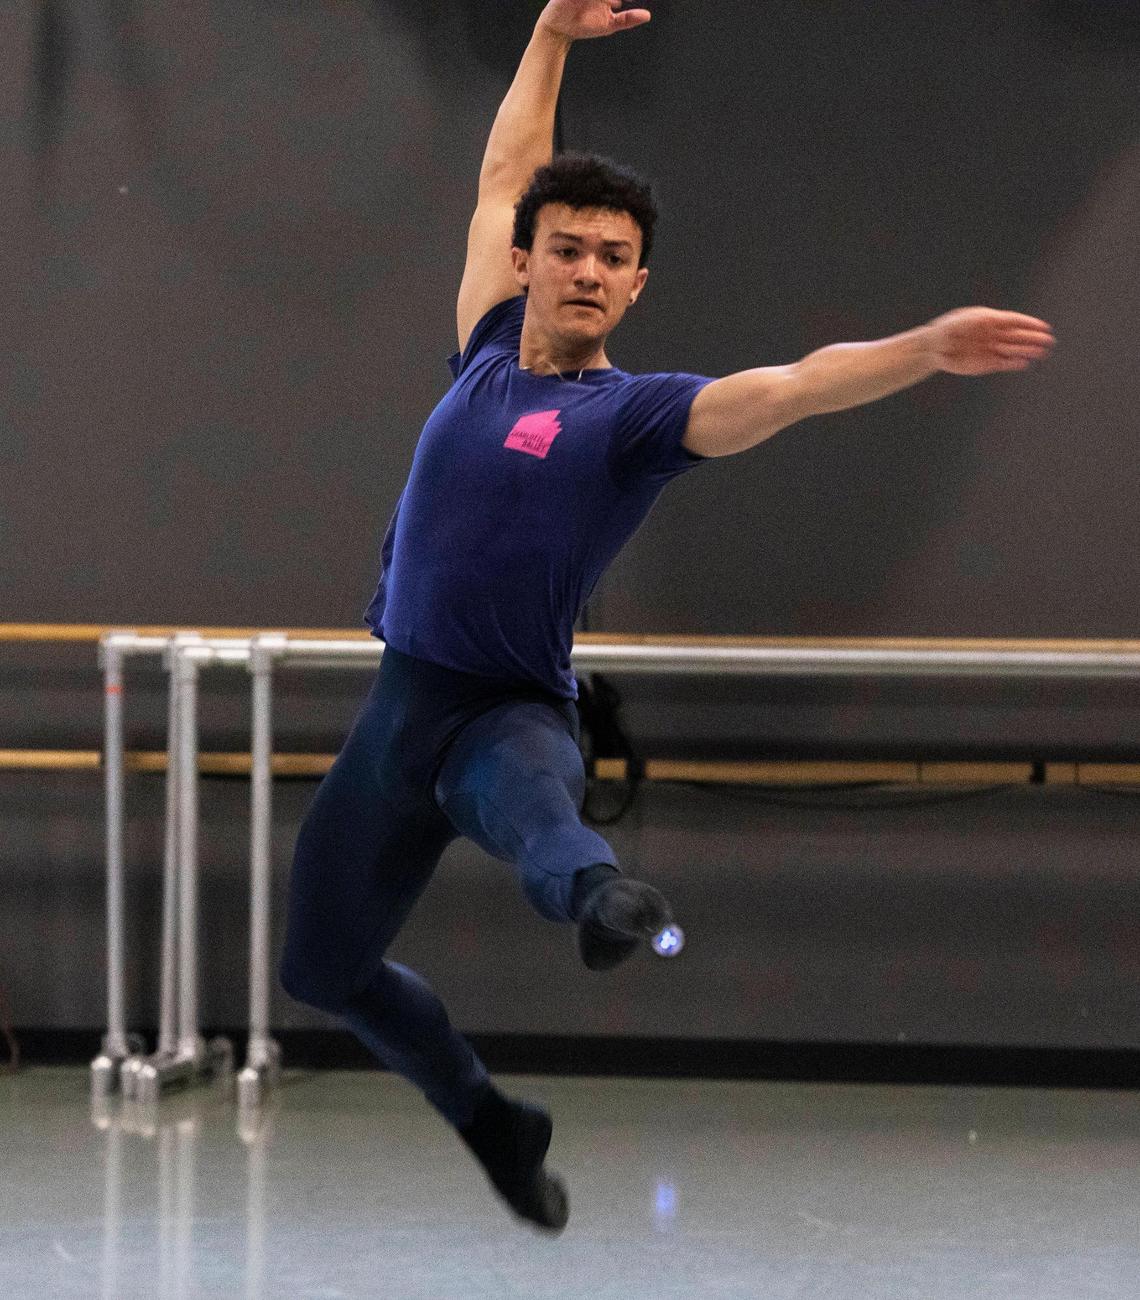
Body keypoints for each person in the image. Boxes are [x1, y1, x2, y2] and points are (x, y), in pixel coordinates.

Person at [279, 0, 1055, 1235]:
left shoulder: (633, 421)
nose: (585, 267)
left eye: (611, 257)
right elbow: (501, 171)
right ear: (528, 259)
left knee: (546, 830)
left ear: (636, 287)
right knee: (316, 970)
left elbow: (790, 390)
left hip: (504, 714)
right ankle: (493, 1120)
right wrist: (548, 37)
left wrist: (924, 347)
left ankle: (605, 903)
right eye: (568, 245)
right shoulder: (483, 349)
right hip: (396, 716)